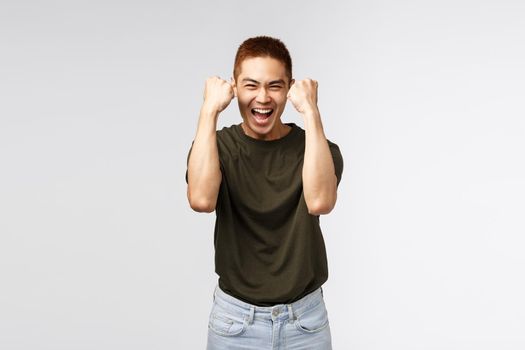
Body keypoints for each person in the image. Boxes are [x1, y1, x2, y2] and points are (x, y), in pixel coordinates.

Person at [185, 36, 343, 350]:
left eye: (274, 85)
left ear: (289, 89)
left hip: (305, 323)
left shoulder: (316, 148)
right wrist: (208, 111)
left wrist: (310, 112)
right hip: (235, 322)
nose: (263, 97)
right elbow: (201, 200)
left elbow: (320, 201)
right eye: (251, 85)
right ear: (234, 88)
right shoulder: (217, 147)